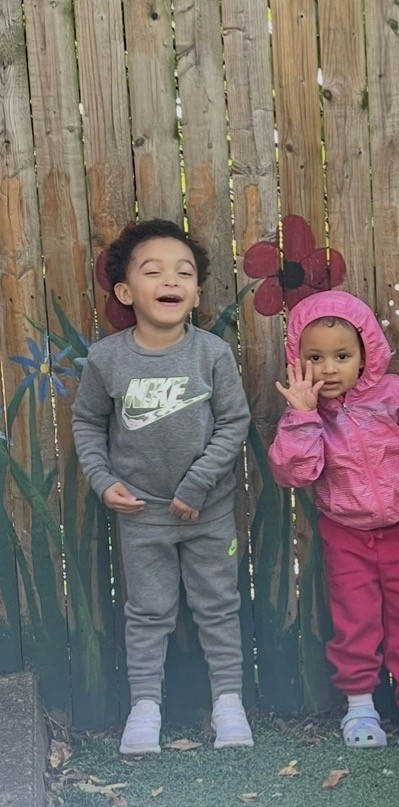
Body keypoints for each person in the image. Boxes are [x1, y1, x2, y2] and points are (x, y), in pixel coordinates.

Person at [72, 219, 253, 754]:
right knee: (148, 613)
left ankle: (229, 705)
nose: (170, 280)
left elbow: (234, 423)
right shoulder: (107, 359)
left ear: (195, 293)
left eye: (184, 272)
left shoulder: (211, 355)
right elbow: (87, 422)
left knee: (218, 608)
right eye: (153, 271)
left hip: (207, 513)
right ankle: (144, 709)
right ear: (126, 292)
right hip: (141, 517)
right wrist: (102, 480)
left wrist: (196, 486)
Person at [268, 290, 399, 750]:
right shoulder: (307, 411)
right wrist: (302, 416)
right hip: (346, 533)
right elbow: (294, 473)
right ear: (297, 359)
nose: (329, 368)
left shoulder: (397, 395)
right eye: (315, 357)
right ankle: (359, 706)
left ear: (365, 353)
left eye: (342, 356)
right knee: (355, 621)